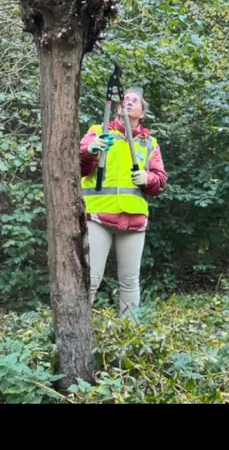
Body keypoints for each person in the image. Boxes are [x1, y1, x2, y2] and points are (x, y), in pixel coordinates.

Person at [79, 88, 167, 318]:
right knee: (91, 279)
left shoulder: (149, 143)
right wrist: (90, 150)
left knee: (129, 282)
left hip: (134, 220)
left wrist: (148, 179)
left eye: (134, 100)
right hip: (98, 215)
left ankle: (129, 334)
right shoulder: (99, 131)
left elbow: (160, 181)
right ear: (118, 107)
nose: (128, 102)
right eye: (125, 99)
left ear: (142, 112)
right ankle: (82, 331)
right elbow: (77, 164)